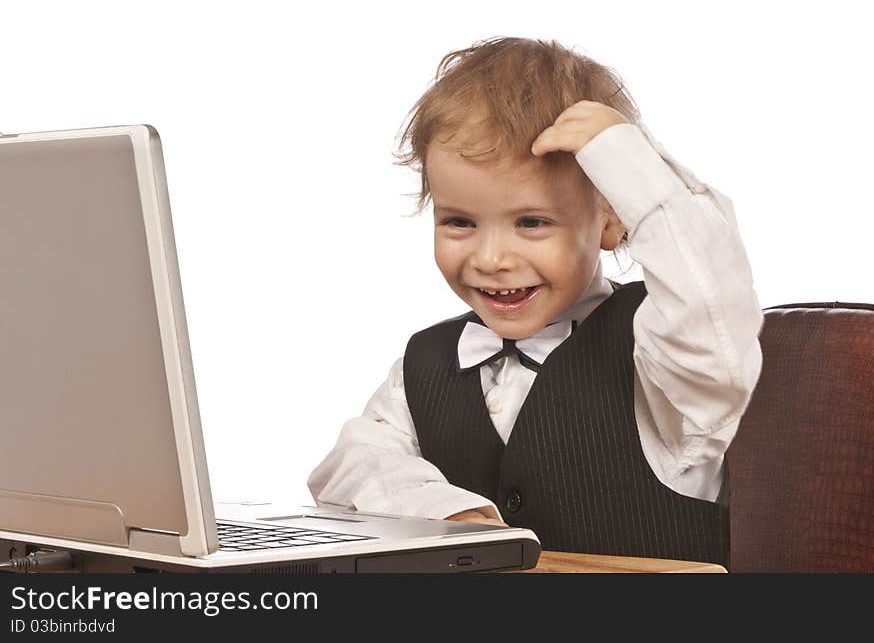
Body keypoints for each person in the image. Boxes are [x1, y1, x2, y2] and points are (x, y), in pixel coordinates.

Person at [307, 36, 763, 566]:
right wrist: (447, 514)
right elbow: (354, 463)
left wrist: (632, 169)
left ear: (613, 220)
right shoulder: (425, 363)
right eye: (460, 222)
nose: (492, 257)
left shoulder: (665, 361)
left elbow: (712, 305)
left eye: (532, 222)